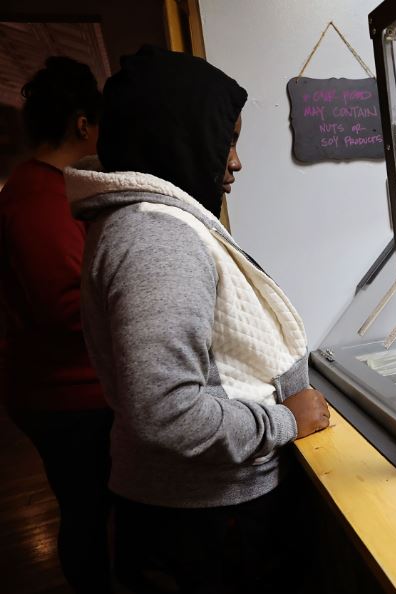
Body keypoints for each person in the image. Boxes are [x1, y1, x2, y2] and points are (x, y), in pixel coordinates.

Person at [64, 46, 330, 593]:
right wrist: (286, 420)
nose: (236, 161)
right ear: (178, 133)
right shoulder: (155, 235)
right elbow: (165, 412)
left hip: (191, 513)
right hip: (200, 524)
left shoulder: (142, 222)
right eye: (227, 139)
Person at [0, 57, 112, 593]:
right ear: (82, 123)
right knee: (88, 513)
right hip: (66, 394)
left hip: (53, 388)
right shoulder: (40, 198)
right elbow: (65, 308)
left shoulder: (41, 188)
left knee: (86, 508)